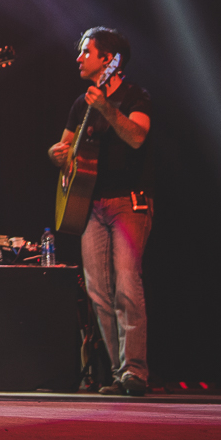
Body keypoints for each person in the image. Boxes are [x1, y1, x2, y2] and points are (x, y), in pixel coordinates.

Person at [48, 27, 153, 396]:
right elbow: (61, 146)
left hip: (128, 201)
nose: (79, 58)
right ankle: (118, 372)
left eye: (85, 52)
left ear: (109, 60)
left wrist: (106, 107)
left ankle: (135, 373)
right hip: (88, 204)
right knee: (98, 292)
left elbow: (137, 136)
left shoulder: (135, 96)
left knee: (126, 283)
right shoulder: (81, 103)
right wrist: (57, 155)